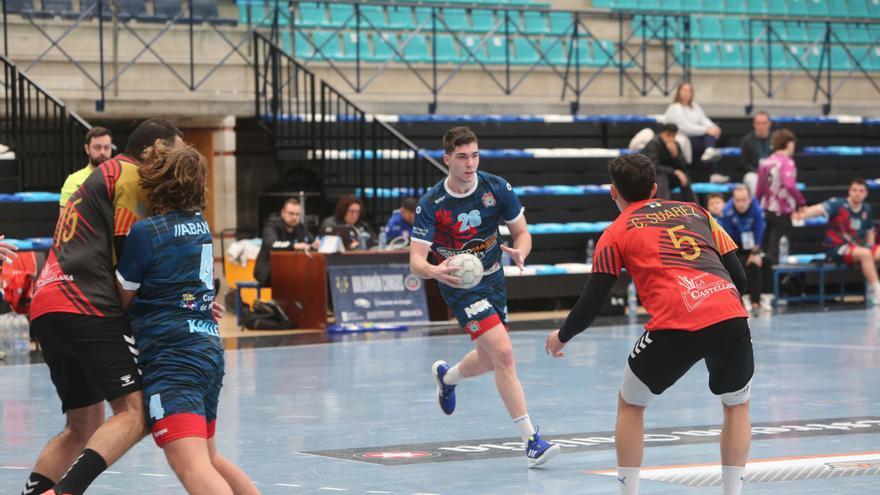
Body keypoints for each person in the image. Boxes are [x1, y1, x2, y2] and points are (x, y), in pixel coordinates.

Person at [545, 153, 753, 495]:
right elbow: (740, 276)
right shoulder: (697, 212)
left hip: (675, 324)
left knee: (631, 402)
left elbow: (592, 302)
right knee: (736, 404)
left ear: (614, 192)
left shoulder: (615, 232)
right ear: (655, 188)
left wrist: (562, 337)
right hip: (729, 315)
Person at [24, 119, 185, 495]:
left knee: (82, 424)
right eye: (174, 153)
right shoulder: (129, 176)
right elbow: (128, 265)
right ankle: (64, 492)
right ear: (154, 152)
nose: (178, 163)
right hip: (84, 303)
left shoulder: (104, 177)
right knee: (135, 412)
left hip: (47, 301)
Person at [410, 127, 559, 468]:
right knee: (504, 353)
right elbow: (416, 261)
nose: (470, 163)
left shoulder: (496, 188)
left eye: (475, 155)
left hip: (493, 278)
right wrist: (435, 270)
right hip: (458, 284)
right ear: (447, 159)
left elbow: (522, 233)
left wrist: (520, 252)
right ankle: (531, 441)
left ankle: (447, 379)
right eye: (462, 157)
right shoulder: (431, 203)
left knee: (490, 358)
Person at [115, 144, 259, 494]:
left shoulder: (146, 233)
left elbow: (121, 298)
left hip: (172, 357)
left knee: (192, 467)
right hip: (207, 349)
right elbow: (200, 287)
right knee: (209, 459)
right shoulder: (201, 228)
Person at [796, 179, 880, 305]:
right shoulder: (839, 204)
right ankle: (877, 292)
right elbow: (819, 209)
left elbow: (870, 233)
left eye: (861, 191)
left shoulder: (866, 209)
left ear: (866, 193)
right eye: (854, 190)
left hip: (858, 248)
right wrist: (804, 214)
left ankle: (871, 286)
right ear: (849, 191)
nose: (857, 193)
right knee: (865, 254)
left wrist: (871, 247)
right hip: (837, 248)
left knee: (873, 252)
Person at [755, 128, 806, 269]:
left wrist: (757, 206)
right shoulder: (786, 162)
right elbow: (789, 184)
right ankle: (774, 286)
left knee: (766, 248)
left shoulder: (765, 162)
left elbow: (759, 189)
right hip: (782, 211)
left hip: (767, 210)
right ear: (789, 144)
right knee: (777, 249)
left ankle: (766, 284)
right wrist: (801, 202)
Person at [663, 82, 727, 183]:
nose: (687, 93)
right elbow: (685, 127)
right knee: (708, 136)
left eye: (690, 91)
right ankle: (710, 158)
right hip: (683, 140)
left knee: (710, 138)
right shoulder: (674, 108)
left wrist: (714, 128)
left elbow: (704, 120)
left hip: (697, 138)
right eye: (685, 90)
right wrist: (706, 130)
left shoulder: (694, 106)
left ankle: (711, 163)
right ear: (679, 92)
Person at [719, 185, 767, 314]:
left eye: (744, 200)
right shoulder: (727, 211)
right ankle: (735, 302)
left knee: (755, 264)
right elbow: (726, 238)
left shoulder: (757, 210)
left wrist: (754, 253)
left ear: (749, 199)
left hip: (752, 245)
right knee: (735, 267)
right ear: (733, 200)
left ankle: (755, 302)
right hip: (733, 245)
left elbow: (759, 231)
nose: (740, 204)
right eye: (737, 200)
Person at [253, 198, 318, 286]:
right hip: (268, 272)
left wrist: (314, 245)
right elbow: (272, 245)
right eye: (291, 213)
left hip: (293, 272)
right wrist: (294, 246)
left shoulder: (301, 228)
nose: (294, 217)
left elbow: (311, 242)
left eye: (297, 214)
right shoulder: (271, 225)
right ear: (283, 213)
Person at [640, 123, 696, 204]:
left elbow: (683, 167)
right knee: (662, 177)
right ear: (662, 133)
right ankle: (665, 207)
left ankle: (693, 206)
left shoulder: (676, 145)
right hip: (650, 177)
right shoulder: (653, 144)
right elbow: (653, 166)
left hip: (668, 175)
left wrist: (675, 155)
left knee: (684, 176)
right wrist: (674, 171)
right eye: (668, 135)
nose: (671, 138)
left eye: (673, 135)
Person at [59, 127, 113, 208]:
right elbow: (64, 218)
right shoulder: (73, 181)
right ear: (87, 149)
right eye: (97, 147)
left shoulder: (119, 179)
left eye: (106, 147)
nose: (102, 152)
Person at [739, 112, 772, 196]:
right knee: (753, 179)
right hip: (754, 173)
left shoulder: (775, 139)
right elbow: (743, 164)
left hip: (771, 173)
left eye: (764, 123)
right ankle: (757, 206)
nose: (761, 126)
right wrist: (758, 172)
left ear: (769, 124)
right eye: (758, 123)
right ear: (754, 124)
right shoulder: (747, 140)